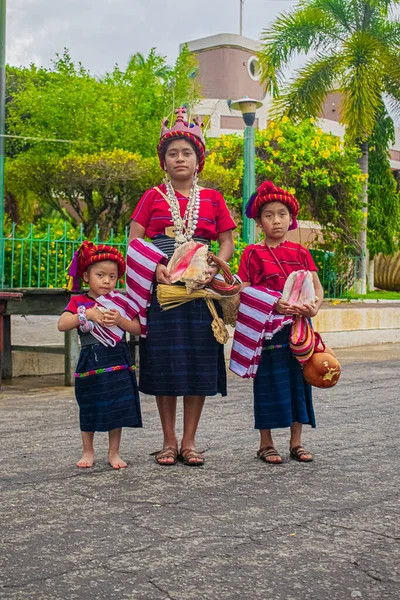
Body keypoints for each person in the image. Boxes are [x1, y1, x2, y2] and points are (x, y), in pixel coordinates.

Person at [128, 107, 236, 466]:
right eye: (172, 153)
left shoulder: (214, 199)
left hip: (200, 293)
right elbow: (135, 239)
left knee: (196, 365)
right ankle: (168, 441)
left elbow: (226, 241)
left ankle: (190, 441)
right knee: (166, 365)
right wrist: (156, 265)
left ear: (198, 160)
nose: (179, 158)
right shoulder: (152, 196)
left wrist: (213, 265)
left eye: (186, 153)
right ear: (164, 160)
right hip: (163, 296)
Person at [230, 181, 324, 464]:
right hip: (267, 333)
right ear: (259, 222)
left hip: (298, 331)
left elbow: (317, 289)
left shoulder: (301, 253)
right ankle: (266, 443)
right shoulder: (251, 253)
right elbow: (243, 289)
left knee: (299, 383)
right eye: (269, 215)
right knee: (268, 385)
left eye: (282, 214)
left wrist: (314, 307)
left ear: (290, 218)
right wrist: (273, 302)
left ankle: (297, 442)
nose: (276, 220)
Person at [58, 241, 142, 469]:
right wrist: (87, 316)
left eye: (112, 276)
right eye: (100, 275)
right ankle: (88, 451)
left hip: (117, 360)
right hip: (90, 361)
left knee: (117, 405)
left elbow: (138, 329)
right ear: (86, 276)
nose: (107, 281)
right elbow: (62, 324)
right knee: (89, 404)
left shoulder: (121, 302)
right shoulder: (79, 302)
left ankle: (113, 452)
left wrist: (121, 321)